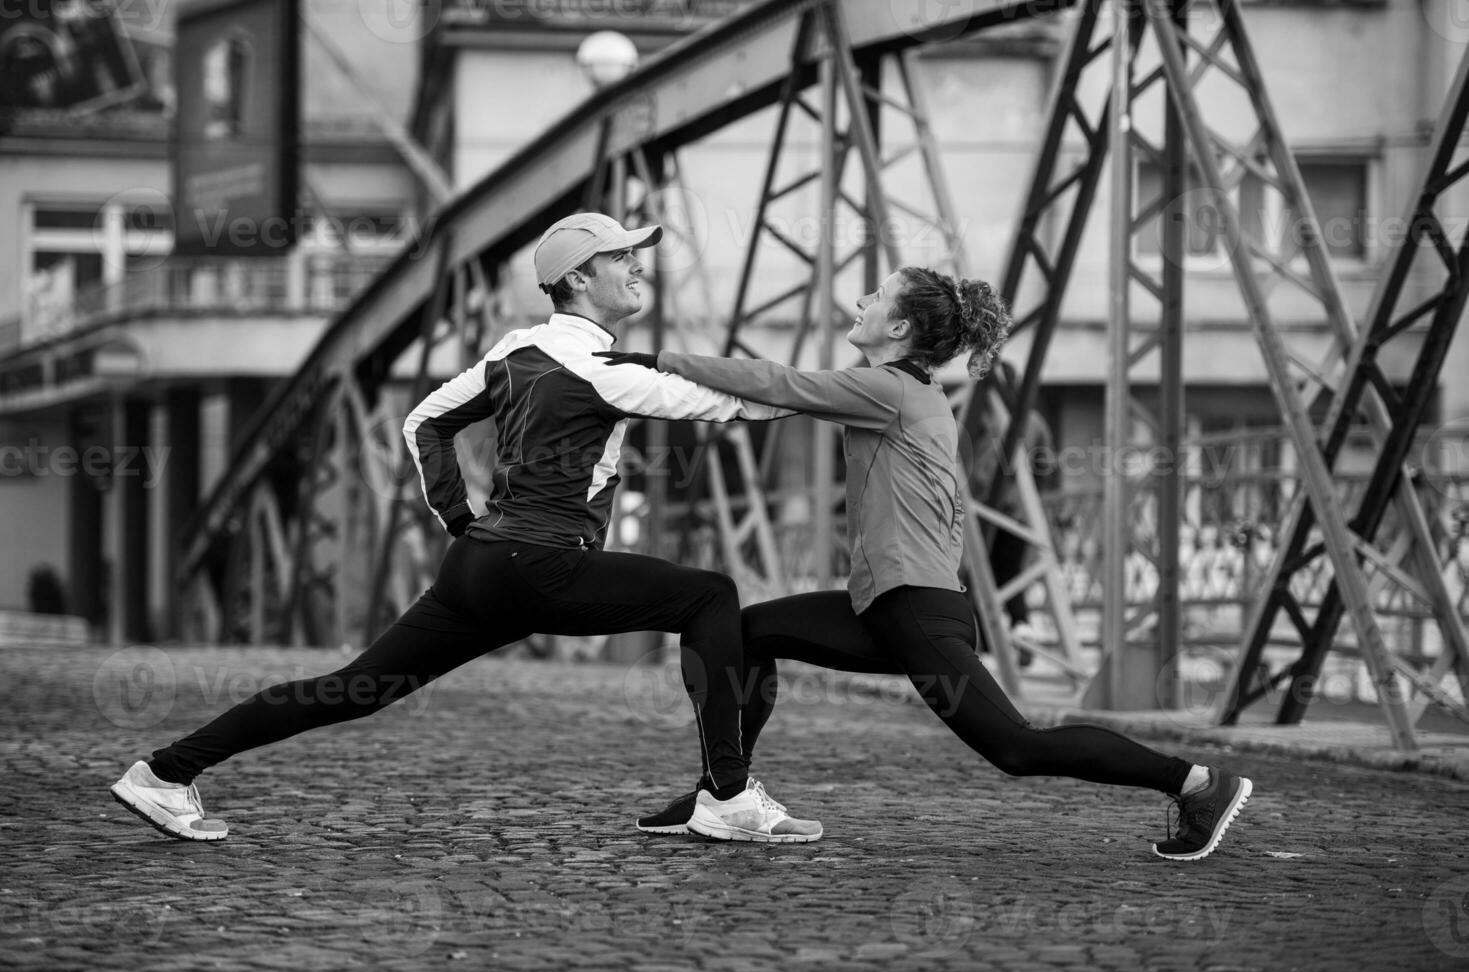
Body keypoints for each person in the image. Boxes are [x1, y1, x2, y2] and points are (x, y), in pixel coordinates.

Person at [110, 212, 821, 845]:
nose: (638, 266)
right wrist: (853, 394)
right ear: (577, 279)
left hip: (481, 565)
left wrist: (462, 523)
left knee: (352, 687)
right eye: (621, 257)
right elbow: (736, 406)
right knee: (710, 596)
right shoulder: (601, 370)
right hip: (544, 564)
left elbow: (424, 423)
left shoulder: (514, 351)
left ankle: (164, 772)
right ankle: (724, 796)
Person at [599, 266, 1252, 860]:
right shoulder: (910, 393)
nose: (859, 301)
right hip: (892, 607)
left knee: (1016, 747)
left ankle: (1196, 783)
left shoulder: (891, 389)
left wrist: (663, 361)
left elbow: (786, 384)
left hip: (915, 611)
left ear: (901, 328)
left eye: (875, 298)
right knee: (739, 634)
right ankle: (722, 791)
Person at [965, 359, 1057, 667]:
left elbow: (969, 466)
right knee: (1010, 575)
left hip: (983, 512)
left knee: (978, 578)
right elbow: (1046, 467)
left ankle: (990, 643)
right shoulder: (1035, 423)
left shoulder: (984, 422)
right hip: (1020, 516)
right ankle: (1021, 630)